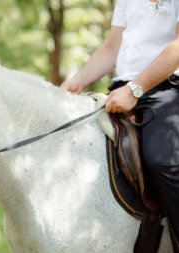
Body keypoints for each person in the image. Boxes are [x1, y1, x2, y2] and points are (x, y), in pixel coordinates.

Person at [61, 0, 179, 250]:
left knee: (163, 160)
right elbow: (112, 47)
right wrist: (77, 82)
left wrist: (136, 88)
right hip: (122, 90)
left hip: (166, 89)